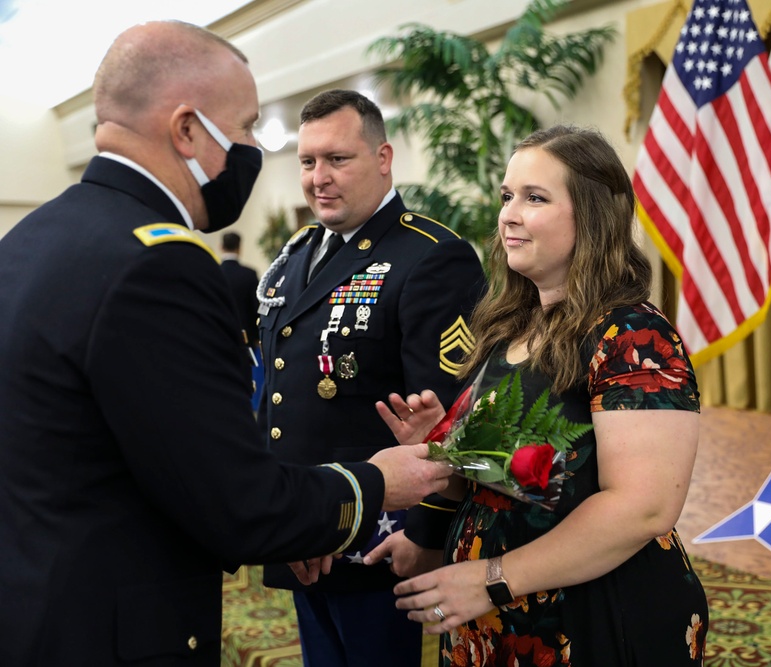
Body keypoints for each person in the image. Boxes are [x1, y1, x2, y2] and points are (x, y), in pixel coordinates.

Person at [0, 22, 450, 666]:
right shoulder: (159, 263)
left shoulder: (32, 238)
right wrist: (372, 484)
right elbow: (237, 503)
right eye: (243, 129)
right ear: (188, 129)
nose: (251, 150)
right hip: (110, 623)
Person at [370, 125, 709, 665]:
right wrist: (443, 447)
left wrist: (491, 580)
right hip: (493, 614)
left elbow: (644, 508)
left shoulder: (632, 337)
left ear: (593, 217)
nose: (508, 214)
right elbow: (524, 476)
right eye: (507, 196)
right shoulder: (510, 326)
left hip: (593, 618)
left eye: (534, 198)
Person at [255, 89, 485, 666]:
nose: (319, 178)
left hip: (384, 543)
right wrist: (284, 517)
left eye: (338, 159)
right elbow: (279, 398)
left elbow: (452, 418)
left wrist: (427, 534)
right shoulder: (297, 255)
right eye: (307, 162)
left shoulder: (430, 256)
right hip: (308, 527)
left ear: (383, 159)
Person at [219, 231, 265, 409]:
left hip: (220, 335)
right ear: (240, 248)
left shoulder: (215, 272)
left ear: (221, 246)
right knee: (250, 375)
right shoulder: (249, 274)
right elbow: (257, 308)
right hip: (246, 337)